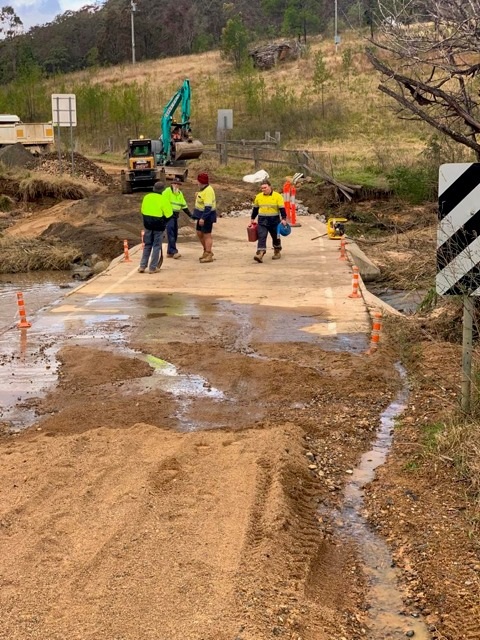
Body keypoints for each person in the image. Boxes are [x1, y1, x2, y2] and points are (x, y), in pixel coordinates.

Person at [138, 182, 173, 274]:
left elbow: (142, 210)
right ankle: (153, 268)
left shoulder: (147, 197)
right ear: (163, 190)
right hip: (158, 226)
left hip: (148, 224)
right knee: (156, 246)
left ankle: (142, 266)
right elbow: (169, 214)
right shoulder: (164, 199)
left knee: (147, 245)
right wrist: (164, 222)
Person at [250, 180, 288, 263]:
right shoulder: (259, 196)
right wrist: (252, 218)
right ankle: (260, 253)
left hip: (274, 220)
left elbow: (282, 208)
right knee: (261, 236)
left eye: (265, 187)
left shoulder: (277, 196)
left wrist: (284, 219)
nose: (263, 189)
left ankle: (277, 251)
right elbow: (255, 209)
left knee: (275, 237)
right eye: (262, 188)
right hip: (262, 220)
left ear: (270, 187)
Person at [162, 178, 191, 259]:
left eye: (178, 184)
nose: (176, 185)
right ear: (171, 184)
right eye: (175, 184)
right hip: (168, 216)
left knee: (174, 234)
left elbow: (184, 206)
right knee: (171, 233)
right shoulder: (167, 192)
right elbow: (163, 204)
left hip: (175, 216)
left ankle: (169, 252)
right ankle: (174, 251)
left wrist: (191, 215)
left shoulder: (179, 193)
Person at [193, 172, 217, 263]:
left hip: (207, 216)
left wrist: (203, 218)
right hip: (200, 216)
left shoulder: (208, 191)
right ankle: (206, 250)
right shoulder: (203, 189)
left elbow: (208, 207)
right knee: (199, 233)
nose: (197, 183)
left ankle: (208, 253)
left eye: (198, 181)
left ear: (201, 182)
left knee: (207, 234)